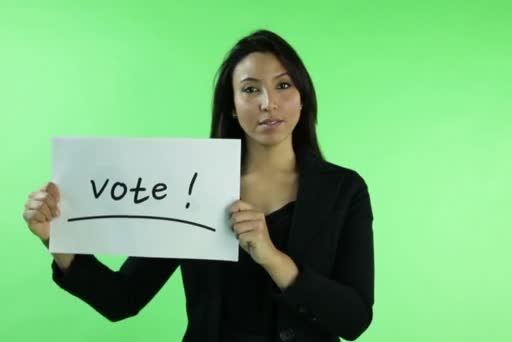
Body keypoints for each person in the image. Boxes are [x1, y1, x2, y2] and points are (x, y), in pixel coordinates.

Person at [23, 29, 374, 342]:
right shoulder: (190, 182)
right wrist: (56, 237)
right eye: (251, 89)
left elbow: (354, 319)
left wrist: (272, 258)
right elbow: (122, 298)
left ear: (303, 97)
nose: (268, 103)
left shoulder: (344, 191)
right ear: (233, 107)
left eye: (283, 85)